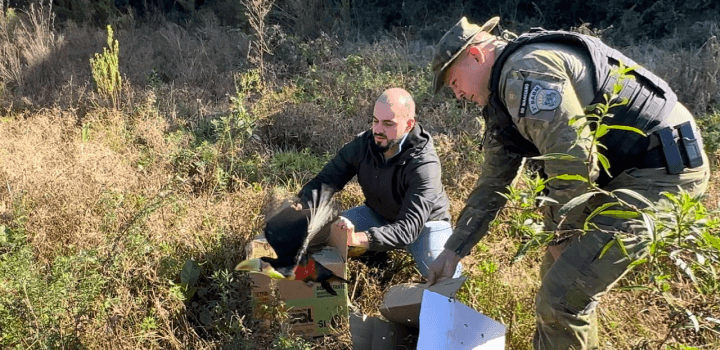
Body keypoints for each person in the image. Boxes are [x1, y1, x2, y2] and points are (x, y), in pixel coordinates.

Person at [426, 17, 710, 349]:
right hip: (627, 169)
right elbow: (493, 182)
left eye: (454, 80)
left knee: (562, 295)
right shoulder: (502, 96)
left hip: (660, 169)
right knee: (557, 281)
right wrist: (454, 249)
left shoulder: (525, 73)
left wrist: (561, 233)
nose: (457, 92)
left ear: (475, 54)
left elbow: (572, 162)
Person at [297, 87, 462, 279]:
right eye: (375, 121)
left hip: (424, 226)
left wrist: (359, 239)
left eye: (388, 124)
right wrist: (301, 206)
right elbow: (326, 181)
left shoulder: (424, 164)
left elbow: (408, 228)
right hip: (379, 216)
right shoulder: (364, 144)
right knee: (327, 234)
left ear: (409, 124)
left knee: (445, 275)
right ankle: (375, 267)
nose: (378, 130)